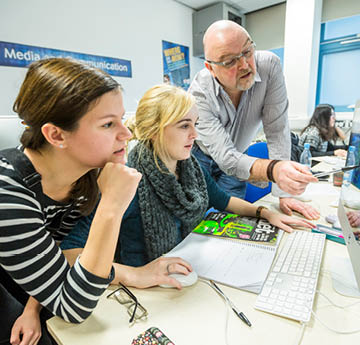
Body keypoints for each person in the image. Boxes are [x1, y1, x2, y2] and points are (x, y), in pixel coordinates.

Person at [0, 59, 189, 345]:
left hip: (29, 274)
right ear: (56, 135)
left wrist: (135, 275)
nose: (126, 134)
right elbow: (73, 307)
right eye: (108, 124)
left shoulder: (86, 173)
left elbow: (60, 256)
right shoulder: (9, 196)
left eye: (121, 119)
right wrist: (110, 207)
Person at [61, 84, 314, 269]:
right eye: (184, 126)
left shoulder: (191, 167)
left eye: (195, 124)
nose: (195, 134)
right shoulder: (127, 181)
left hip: (186, 269)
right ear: (153, 130)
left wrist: (266, 214)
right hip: (145, 290)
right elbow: (72, 253)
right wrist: (135, 275)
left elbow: (223, 200)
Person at [188, 20, 319, 220]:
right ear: (211, 68)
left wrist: (283, 193)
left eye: (247, 51)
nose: (244, 65)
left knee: (230, 222)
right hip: (202, 158)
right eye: (229, 61)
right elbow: (225, 157)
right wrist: (274, 171)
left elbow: (277, 130)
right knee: (197, 222)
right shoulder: (198, 94)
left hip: (239, 156)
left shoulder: (269, 65)